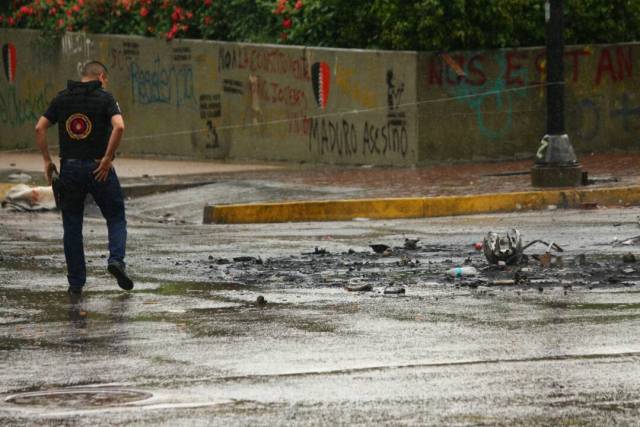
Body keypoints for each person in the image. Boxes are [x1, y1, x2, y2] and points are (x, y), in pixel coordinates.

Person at [35, 60, 133, 296]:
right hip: (99, 167)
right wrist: (108, 158)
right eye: (105, 79)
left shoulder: (62, 98)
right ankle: (116, 260)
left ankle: (76, 282)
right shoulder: (106, 98)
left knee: (72, 224)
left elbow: (39, 128)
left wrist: (47, 161)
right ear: (101, 76)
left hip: (69, 168)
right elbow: (119, 127)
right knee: (115, 216)